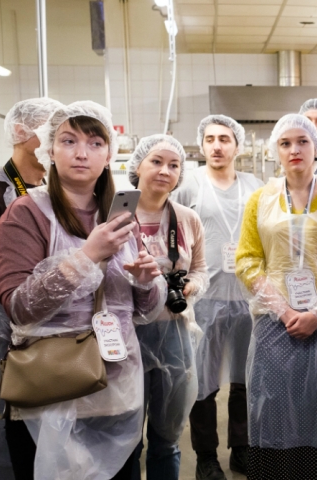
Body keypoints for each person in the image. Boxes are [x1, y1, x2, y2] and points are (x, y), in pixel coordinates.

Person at [0, 101, 166, 479]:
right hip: (49, 395)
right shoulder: (25, 213)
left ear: (109, 155)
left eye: (95, 142)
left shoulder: (121, 216)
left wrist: (144, 281)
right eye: (69, 141)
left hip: (116, 395)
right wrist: (89, 255)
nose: (82, 153)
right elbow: (20, 308)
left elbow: (143, 311)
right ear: (50, 151)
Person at [235, 114, 317, 479]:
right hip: (275, 325)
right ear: (276, 151)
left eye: (303, 141)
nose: (294, 150)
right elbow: (247, 260)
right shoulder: (260, 200)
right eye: (285, 143)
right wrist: (285, 311)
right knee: (275, 411)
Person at [173, 114, 263, 480]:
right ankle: (206, 456)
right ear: (202, 144)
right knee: (202, 380)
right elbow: (171, 232)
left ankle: (242, 448)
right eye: (210, 139)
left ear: (237, 146)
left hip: (249, 296)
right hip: (204, 298)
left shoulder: (255, 185)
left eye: (224, 139)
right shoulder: (189, 185)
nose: (216, 146)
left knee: (246, 377)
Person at [0, 97, 63, 480]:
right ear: (21, 132)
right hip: (0, 330)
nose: (58, 138)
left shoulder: (58, 194)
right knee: (2, 419)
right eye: (52, 129)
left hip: (54, 330)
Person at [128, 135, 209, 479]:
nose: (165, 171)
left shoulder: (187, 219)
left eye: (174, 165)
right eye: (156, 162)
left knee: (167, 436)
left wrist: (192, 286)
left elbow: (200, 269)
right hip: (126, 332)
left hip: (174, 330)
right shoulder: (115, 214)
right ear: (138, 166)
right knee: (126, 438)